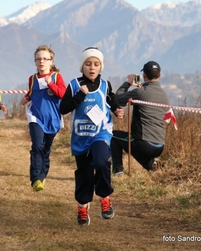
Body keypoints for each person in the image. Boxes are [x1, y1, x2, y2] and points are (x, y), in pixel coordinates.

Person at [59, 47, 124, 226]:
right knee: (84, 173)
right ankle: (82, 206)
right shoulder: (74, 85)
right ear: (82, 67)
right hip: (81, 137)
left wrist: (117, 109)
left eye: (96, 64)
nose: (92, 67)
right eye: (88, 64)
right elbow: (63, 108)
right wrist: (80, 95)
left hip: (100, 133)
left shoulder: (105, 85)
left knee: (102, 161)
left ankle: (104, 197)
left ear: (101, 67)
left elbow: (111, 99)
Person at [21, 45, 66, 192]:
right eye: (38, 59)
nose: (42, 62)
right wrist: (27, 97)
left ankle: (42, 175)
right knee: (37, 146)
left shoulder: (57, 77)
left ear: (51, 61)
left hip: (52, 119)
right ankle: (36, 179)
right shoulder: (32, 78)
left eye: (45, 59)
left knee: (46, 150)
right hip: (35, 117)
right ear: (35, 62)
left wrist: (50, 84)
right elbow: (33, 92)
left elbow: (63, 94)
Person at [111, 61, 170, 175]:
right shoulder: (165, 95)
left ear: (144, 75)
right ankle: (150, 164)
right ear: (159, 75)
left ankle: (118, 171)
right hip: (159, 146)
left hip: (144, 143)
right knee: (134, 143)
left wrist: (128, 83)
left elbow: (117, 98)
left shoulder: (140, 92)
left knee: (113, 136)